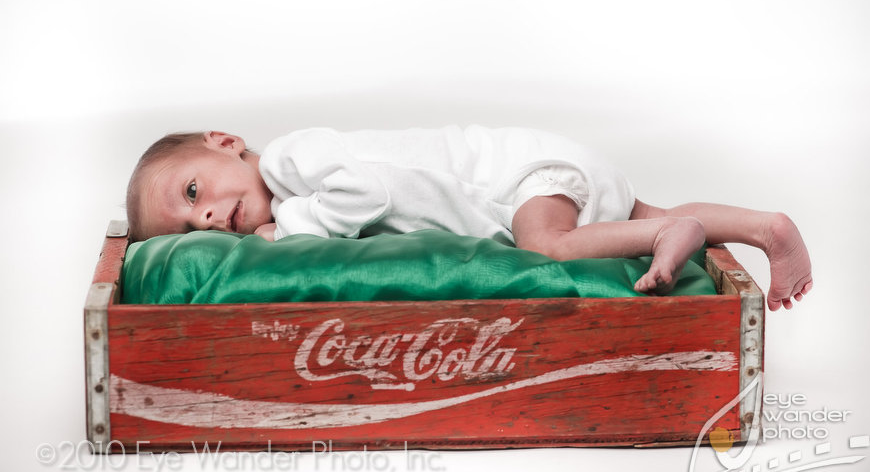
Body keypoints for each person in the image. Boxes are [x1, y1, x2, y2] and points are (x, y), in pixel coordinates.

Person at [126, 126, 812, 311]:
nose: (211, 216)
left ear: (223, 141)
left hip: (513, 176)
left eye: (193, 192)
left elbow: (370, 195)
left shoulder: (290, 159)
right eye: (197, 227)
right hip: (532, 175)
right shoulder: (286, 180)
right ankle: (764, 228)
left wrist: (293, 227)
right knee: (636, 216)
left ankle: (667, 235)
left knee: (548, 245)